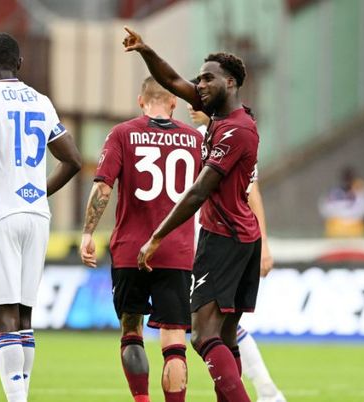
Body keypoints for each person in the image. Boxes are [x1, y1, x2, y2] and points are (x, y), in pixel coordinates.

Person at [125, 27, 260, 402]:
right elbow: (169, 79)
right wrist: (145, 49)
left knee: (202, 335)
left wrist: (157, 236)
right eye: (198, 78)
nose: (198, 85)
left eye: (207, 79)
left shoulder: (236, 131)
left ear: (230, 82)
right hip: (241, 237)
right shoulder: (225, 116)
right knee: (226, 338)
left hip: (225, 239)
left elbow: (199, 190)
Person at [0, 33, 82, 402]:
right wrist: (36, 193)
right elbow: (72, 160)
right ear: (20, 64)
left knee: (4, 316)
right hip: (37, 216)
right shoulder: (42, 102)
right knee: (25, 317)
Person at [80, 77, 203, 402]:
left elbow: (103, 188)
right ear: (174, 102)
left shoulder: (122, 133)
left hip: (130, 252)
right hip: (176, 252)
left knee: (131, 330)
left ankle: (141, 400)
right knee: (174, 341)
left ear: (140, 101)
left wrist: (88, 232)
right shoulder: (194, 140)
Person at [188, 105, 286, 402]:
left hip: (214, 242)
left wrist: (265, 242)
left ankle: (266, 391)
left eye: (200, 98)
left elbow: (250, 191)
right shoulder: (214, 135)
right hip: (211, 241)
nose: (192, 106)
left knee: (208, 331)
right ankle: (267, 390)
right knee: (223, 329)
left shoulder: (212, 138)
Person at [317, 166, 364, 238]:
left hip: (355, 228)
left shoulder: (360, 190)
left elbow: (363, 207)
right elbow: (324, 207)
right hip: (335, 228)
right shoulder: (334, 192)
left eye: (349, 177)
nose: (347, 180)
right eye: (346, 177)